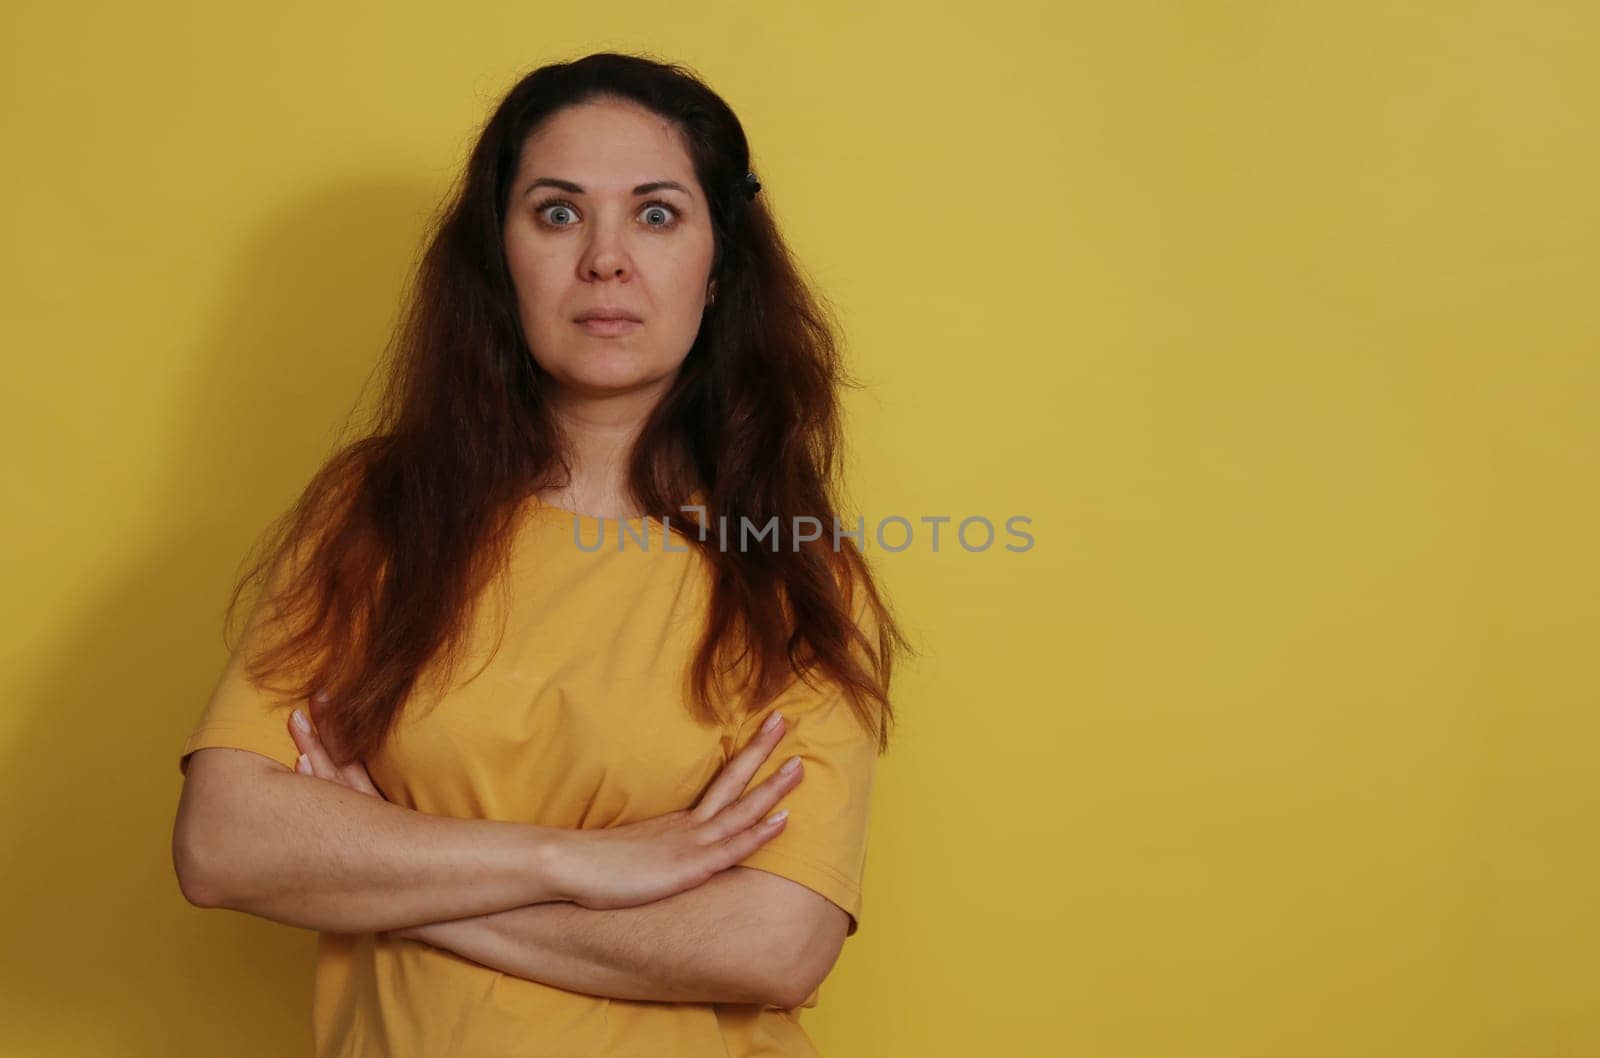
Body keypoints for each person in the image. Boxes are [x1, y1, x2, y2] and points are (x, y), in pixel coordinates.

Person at [170, 50, 907, 1057]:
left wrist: (392, 877)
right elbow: (223, 844)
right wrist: (582, 860)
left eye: (656, 213)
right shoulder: (378, 512)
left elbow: (773, 942)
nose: (605, 257)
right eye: (557, 212)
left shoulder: (795, 573)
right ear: (498, 253)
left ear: (719, 264)